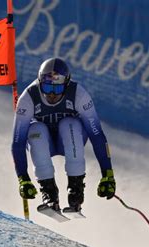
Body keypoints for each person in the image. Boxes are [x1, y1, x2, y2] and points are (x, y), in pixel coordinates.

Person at [11, 57, 116, 213]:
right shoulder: (28, 98)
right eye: (47, 88)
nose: (52, 95)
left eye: (58, 89)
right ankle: (49, 192)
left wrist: (107, 174)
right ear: (40, 83)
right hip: (44, 141)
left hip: (70, 138)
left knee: (69, 124)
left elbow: (97, 135)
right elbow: (17, 142)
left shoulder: (79, 95)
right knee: (35, 130)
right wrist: (23, 179)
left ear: (66, 85)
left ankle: (76, 190)